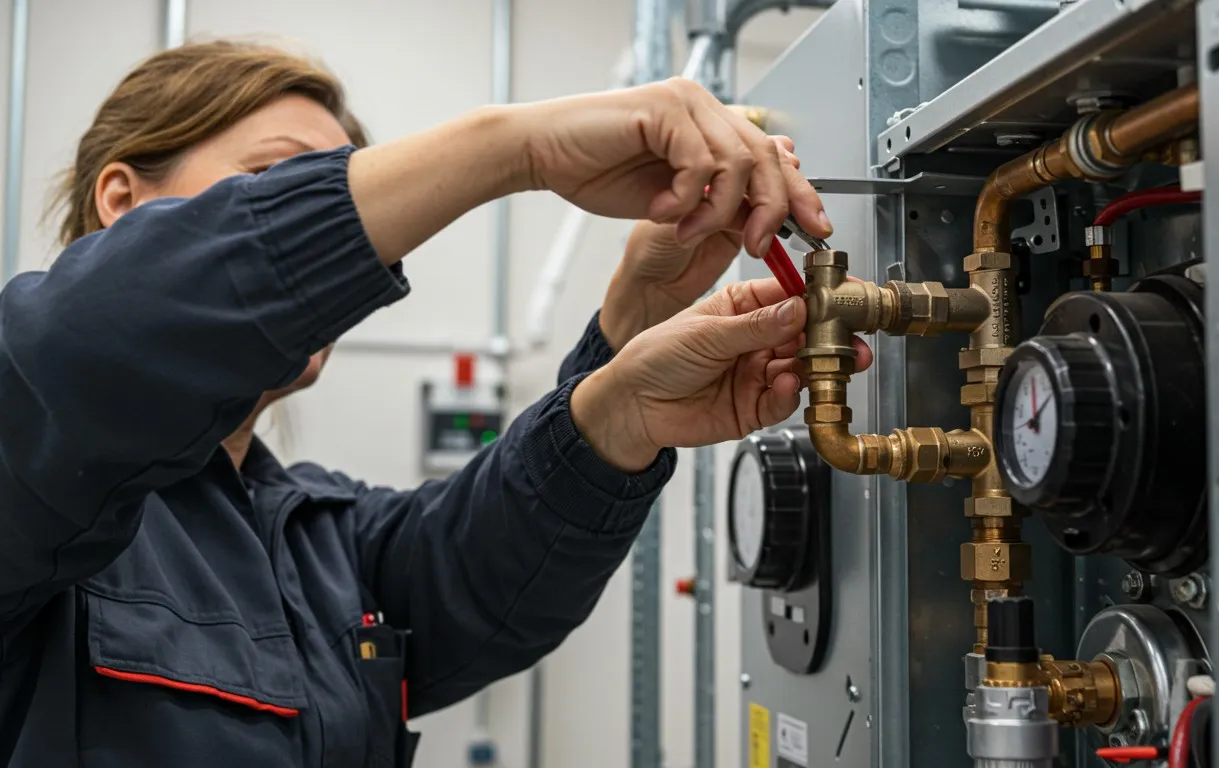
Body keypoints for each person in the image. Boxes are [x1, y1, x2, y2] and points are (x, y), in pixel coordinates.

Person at [0, 41, 872, 767]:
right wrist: (512, 149)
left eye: (331, 190)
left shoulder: (321, 542)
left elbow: (486, 571)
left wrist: (626, 363)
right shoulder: (38, 493)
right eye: (274, 185)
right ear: (122, 203)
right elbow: (72, 358)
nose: (324, 255)